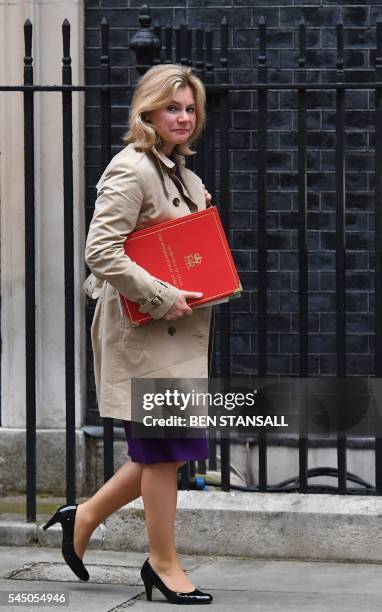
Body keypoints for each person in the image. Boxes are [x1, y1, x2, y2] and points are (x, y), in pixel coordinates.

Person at [43, 64, 214, 605]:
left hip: (177, 330)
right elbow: (101, 251)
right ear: (148, 111)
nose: (183, 117)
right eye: (173, 107)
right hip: (145, 332)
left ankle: (84, 516)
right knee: (163, 448)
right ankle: (162, 564)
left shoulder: (183, 175)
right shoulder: (132, 168)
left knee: (168, 446)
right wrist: (164, 294)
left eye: (190, 108)